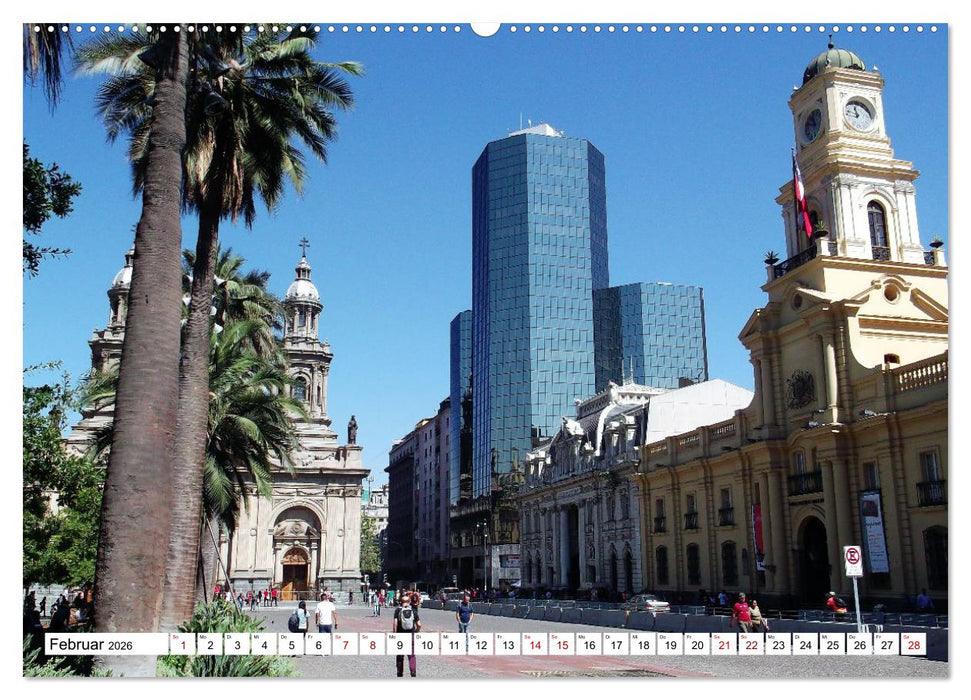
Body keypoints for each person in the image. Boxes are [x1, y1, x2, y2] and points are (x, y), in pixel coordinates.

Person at [393, 592, 421, 677]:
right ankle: (413, 671)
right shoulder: (413, 610)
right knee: (411, 655)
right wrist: (416, 631)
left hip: (400, 636)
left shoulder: (398, 610)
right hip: (410, 636)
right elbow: (419, 624)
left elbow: (395, 624)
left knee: (400, 656)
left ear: (401, 602)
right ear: (409, 601)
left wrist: (394, 635)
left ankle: (399, 672)